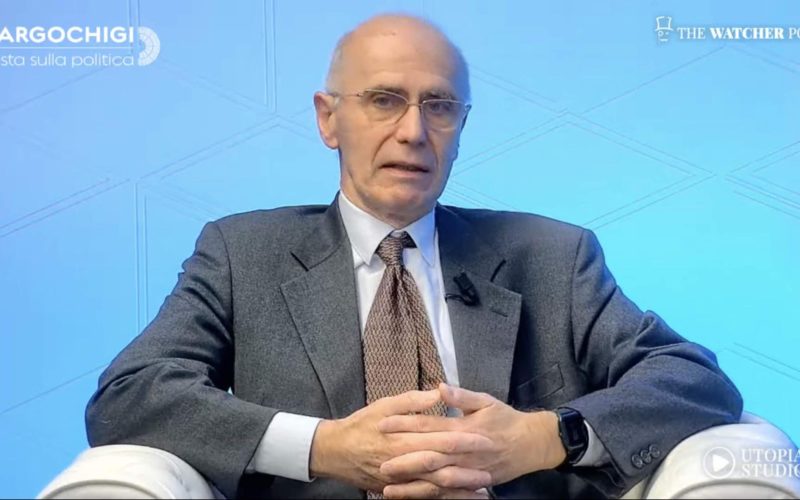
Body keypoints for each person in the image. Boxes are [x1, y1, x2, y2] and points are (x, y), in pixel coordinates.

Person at [86, 14, 743, 499]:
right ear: (327, 119)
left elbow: (692, 380)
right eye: (384, 100)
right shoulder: (242, 254)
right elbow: (128, 395)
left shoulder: (552, 255)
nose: (413, 131)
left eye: (440, 106)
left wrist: (544, 437)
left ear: (462, 126)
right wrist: (322, 447)